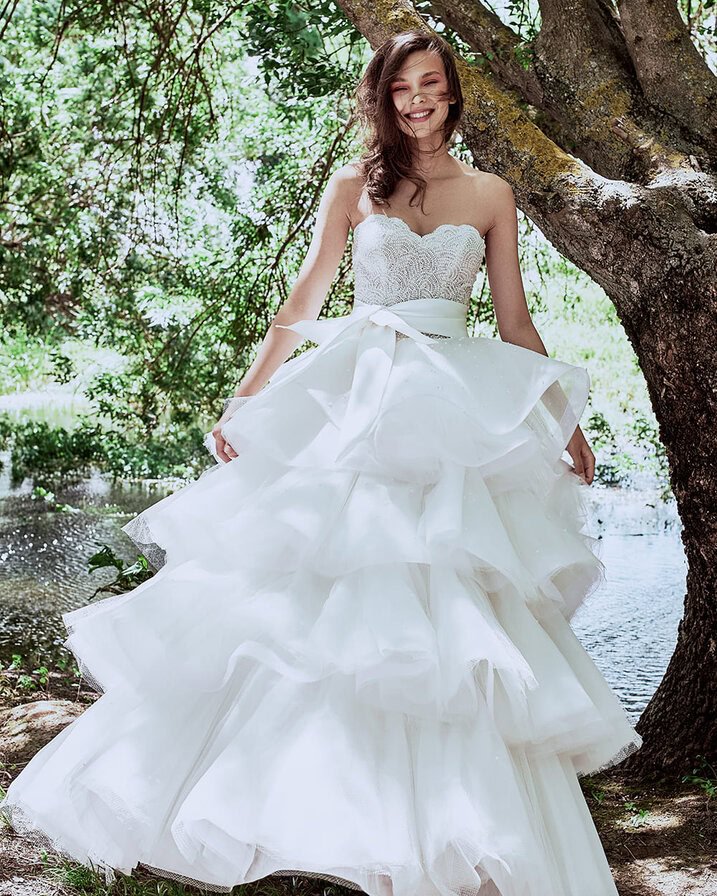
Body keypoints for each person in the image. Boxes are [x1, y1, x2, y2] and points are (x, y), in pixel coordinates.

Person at [0, 28, 642, 896]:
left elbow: (514, 321)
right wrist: (246, 394)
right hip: (360, 395)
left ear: (452, 93)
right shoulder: (352, 186)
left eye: (430, 85)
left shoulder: (492, 193)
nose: (417, 101)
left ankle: (447, 833)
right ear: (382, 98)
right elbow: (305, 296)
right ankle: (313, 812)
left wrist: (563, 421)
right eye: (400, 88)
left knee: (452, 599)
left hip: (452, 402)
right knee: (320, 592)